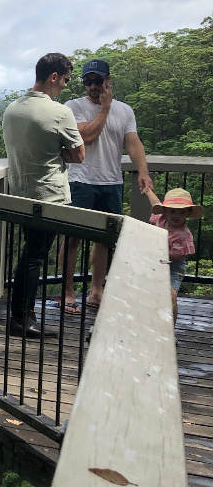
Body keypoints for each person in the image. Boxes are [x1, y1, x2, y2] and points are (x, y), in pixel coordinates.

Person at [2, 53, 85, 338]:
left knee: (30, 253)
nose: (64, 86)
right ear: (53, 77)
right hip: (49, 195)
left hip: (21, 192)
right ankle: (22, 318)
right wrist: (58, 153)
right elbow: (79, 154)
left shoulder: (12, 109)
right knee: (35, 256)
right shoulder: (59, 112)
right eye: (64, 80)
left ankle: (21, 315)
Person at [59, 59, 152, 312]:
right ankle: (67, 290)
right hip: (80, 181)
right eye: (87, 81)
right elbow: (86, 137)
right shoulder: (72, 107)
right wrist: (104, 109)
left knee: (105, 239)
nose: (93, 86)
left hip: (112, 182)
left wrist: (143, 171)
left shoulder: (125, 110)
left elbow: (133, 142)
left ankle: (97, 289)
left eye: (97, 80)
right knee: (72, 237)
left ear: (108, 81)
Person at [144, 187, 203, 324]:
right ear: (165, 211)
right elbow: (155, 202)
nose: (176, 215)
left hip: (174, 267)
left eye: (181, 212)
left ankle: (170, 330)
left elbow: (177, 256)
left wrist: (155, 250)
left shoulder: (184, 234)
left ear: (187, 214)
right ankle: (152, 323)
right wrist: (148, 190)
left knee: (171, 296)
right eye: (172, 211)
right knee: (151, 294)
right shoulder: (160, 218)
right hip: (157, 262)